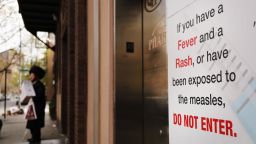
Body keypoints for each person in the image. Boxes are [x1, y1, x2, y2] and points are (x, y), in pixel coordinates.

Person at [26, 65, 46, 143]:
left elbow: (38, 96)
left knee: (36, 126)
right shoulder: (33, 85)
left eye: (32, 74)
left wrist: (31, 95)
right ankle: (33, 137)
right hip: (33, 108)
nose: (30, 76)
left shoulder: (40, 85)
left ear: (36, 76)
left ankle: (36, 139)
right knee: (31, 125)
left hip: (38, 109)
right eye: (30, 74)